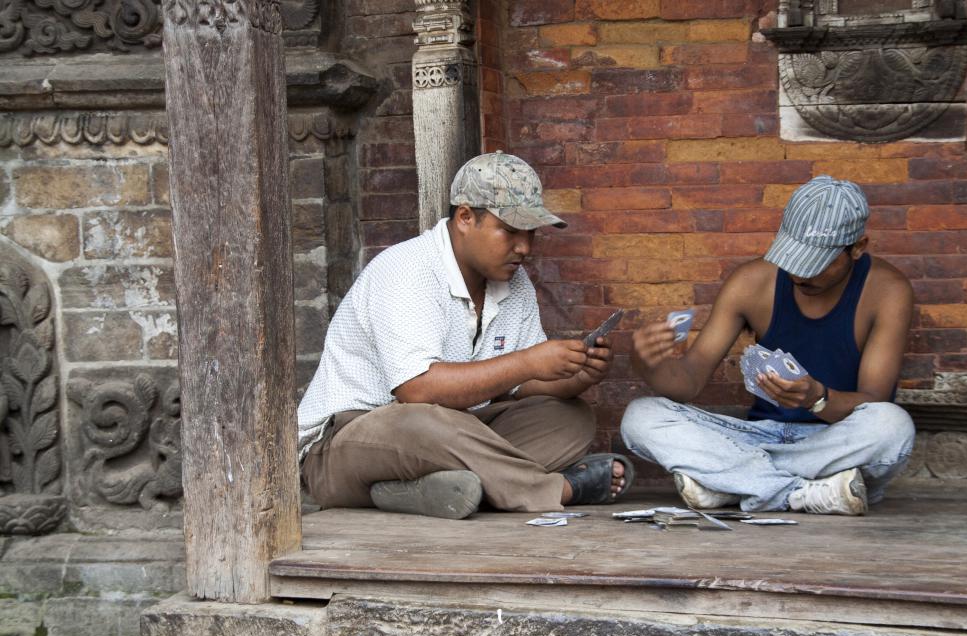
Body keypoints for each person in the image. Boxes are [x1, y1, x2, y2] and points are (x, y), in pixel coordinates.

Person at [297, 151, 634, 519]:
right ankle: (559, 489)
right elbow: (417, 391)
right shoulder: (407, 269)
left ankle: (426, 491)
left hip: (455, 433)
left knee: (570, 418)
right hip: (347, 443)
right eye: (509, 231)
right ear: (465, 218)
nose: (524, 247)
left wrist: (574, 377)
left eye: (530, 233)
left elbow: (520, 388)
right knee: (425, 420)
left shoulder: (515, 284)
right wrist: (528, 362)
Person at [620, 176, 916, 516]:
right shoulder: (751, 283)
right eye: (794, 259)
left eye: (818, 263)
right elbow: (688, 381)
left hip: (834, 441)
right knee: (641, 416)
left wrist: (817, 399)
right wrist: (649, 364)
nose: (800, 276)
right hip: (753, 439)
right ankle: (800, 494)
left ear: (858, 247)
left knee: (892, 425)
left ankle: (734, 482)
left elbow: (873, 402)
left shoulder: (887, 290)